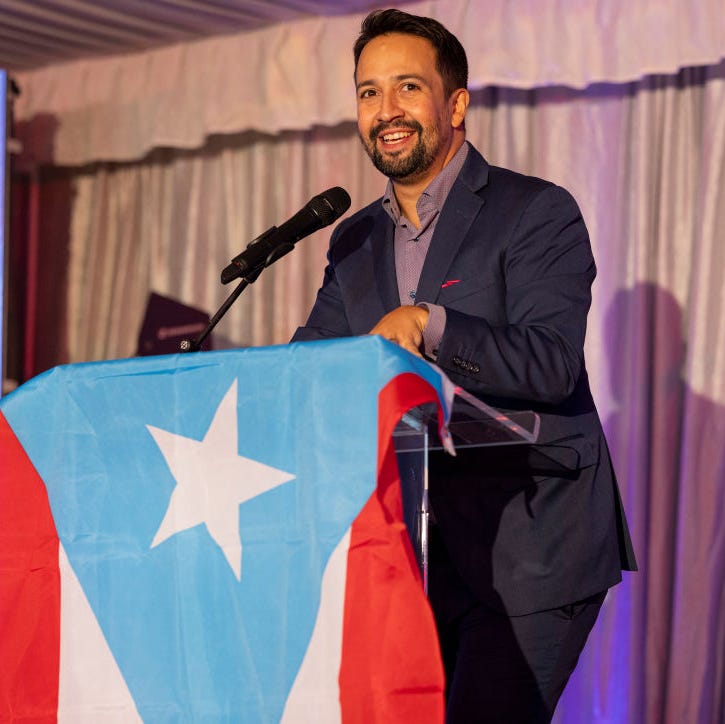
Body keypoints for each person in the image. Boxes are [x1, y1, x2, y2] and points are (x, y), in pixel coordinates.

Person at [292, 8, 636, 722]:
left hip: (533, 544)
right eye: (367, 92)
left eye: (406, 88)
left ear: (454, 104)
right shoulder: (352, 239)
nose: (384, 111)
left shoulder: (535, 210)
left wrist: (430, 323)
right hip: (415, 545)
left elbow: (549, 363)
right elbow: (315, 364)